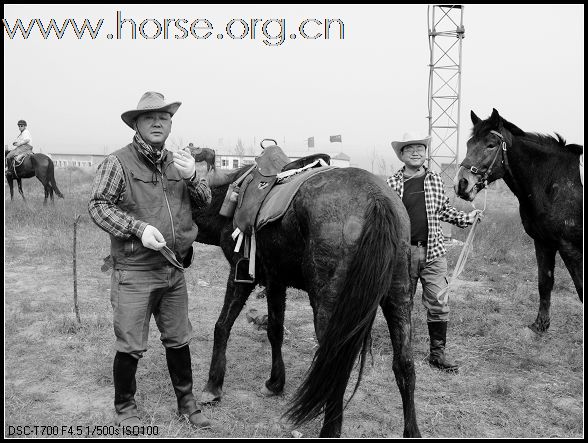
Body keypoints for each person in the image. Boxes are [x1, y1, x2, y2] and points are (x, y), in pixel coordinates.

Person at [88, 91, 212, 428]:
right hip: (135, 270)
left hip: (173, 270)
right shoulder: (119, 162)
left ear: (171, 124)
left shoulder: (178, 162)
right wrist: (137, 228)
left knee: (179, 338)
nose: (158, 122)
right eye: (149, 118)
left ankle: (187, 404)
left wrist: (193, 178)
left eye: (164, 117)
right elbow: (99, 206)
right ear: (137, 124)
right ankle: (125, 407)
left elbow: (204, 204)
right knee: (130, 343)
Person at [387, 132, 482, 373]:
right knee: (401, 303)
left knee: (439, 303)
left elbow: (444, 211)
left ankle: (437, 354)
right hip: (402, 255)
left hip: (433, 253)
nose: (417, 152)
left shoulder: (435, 180)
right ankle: (402, 352)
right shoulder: (391, 184)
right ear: (402, 155)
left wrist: (467, 218)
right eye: (410, 149)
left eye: (420, 148)